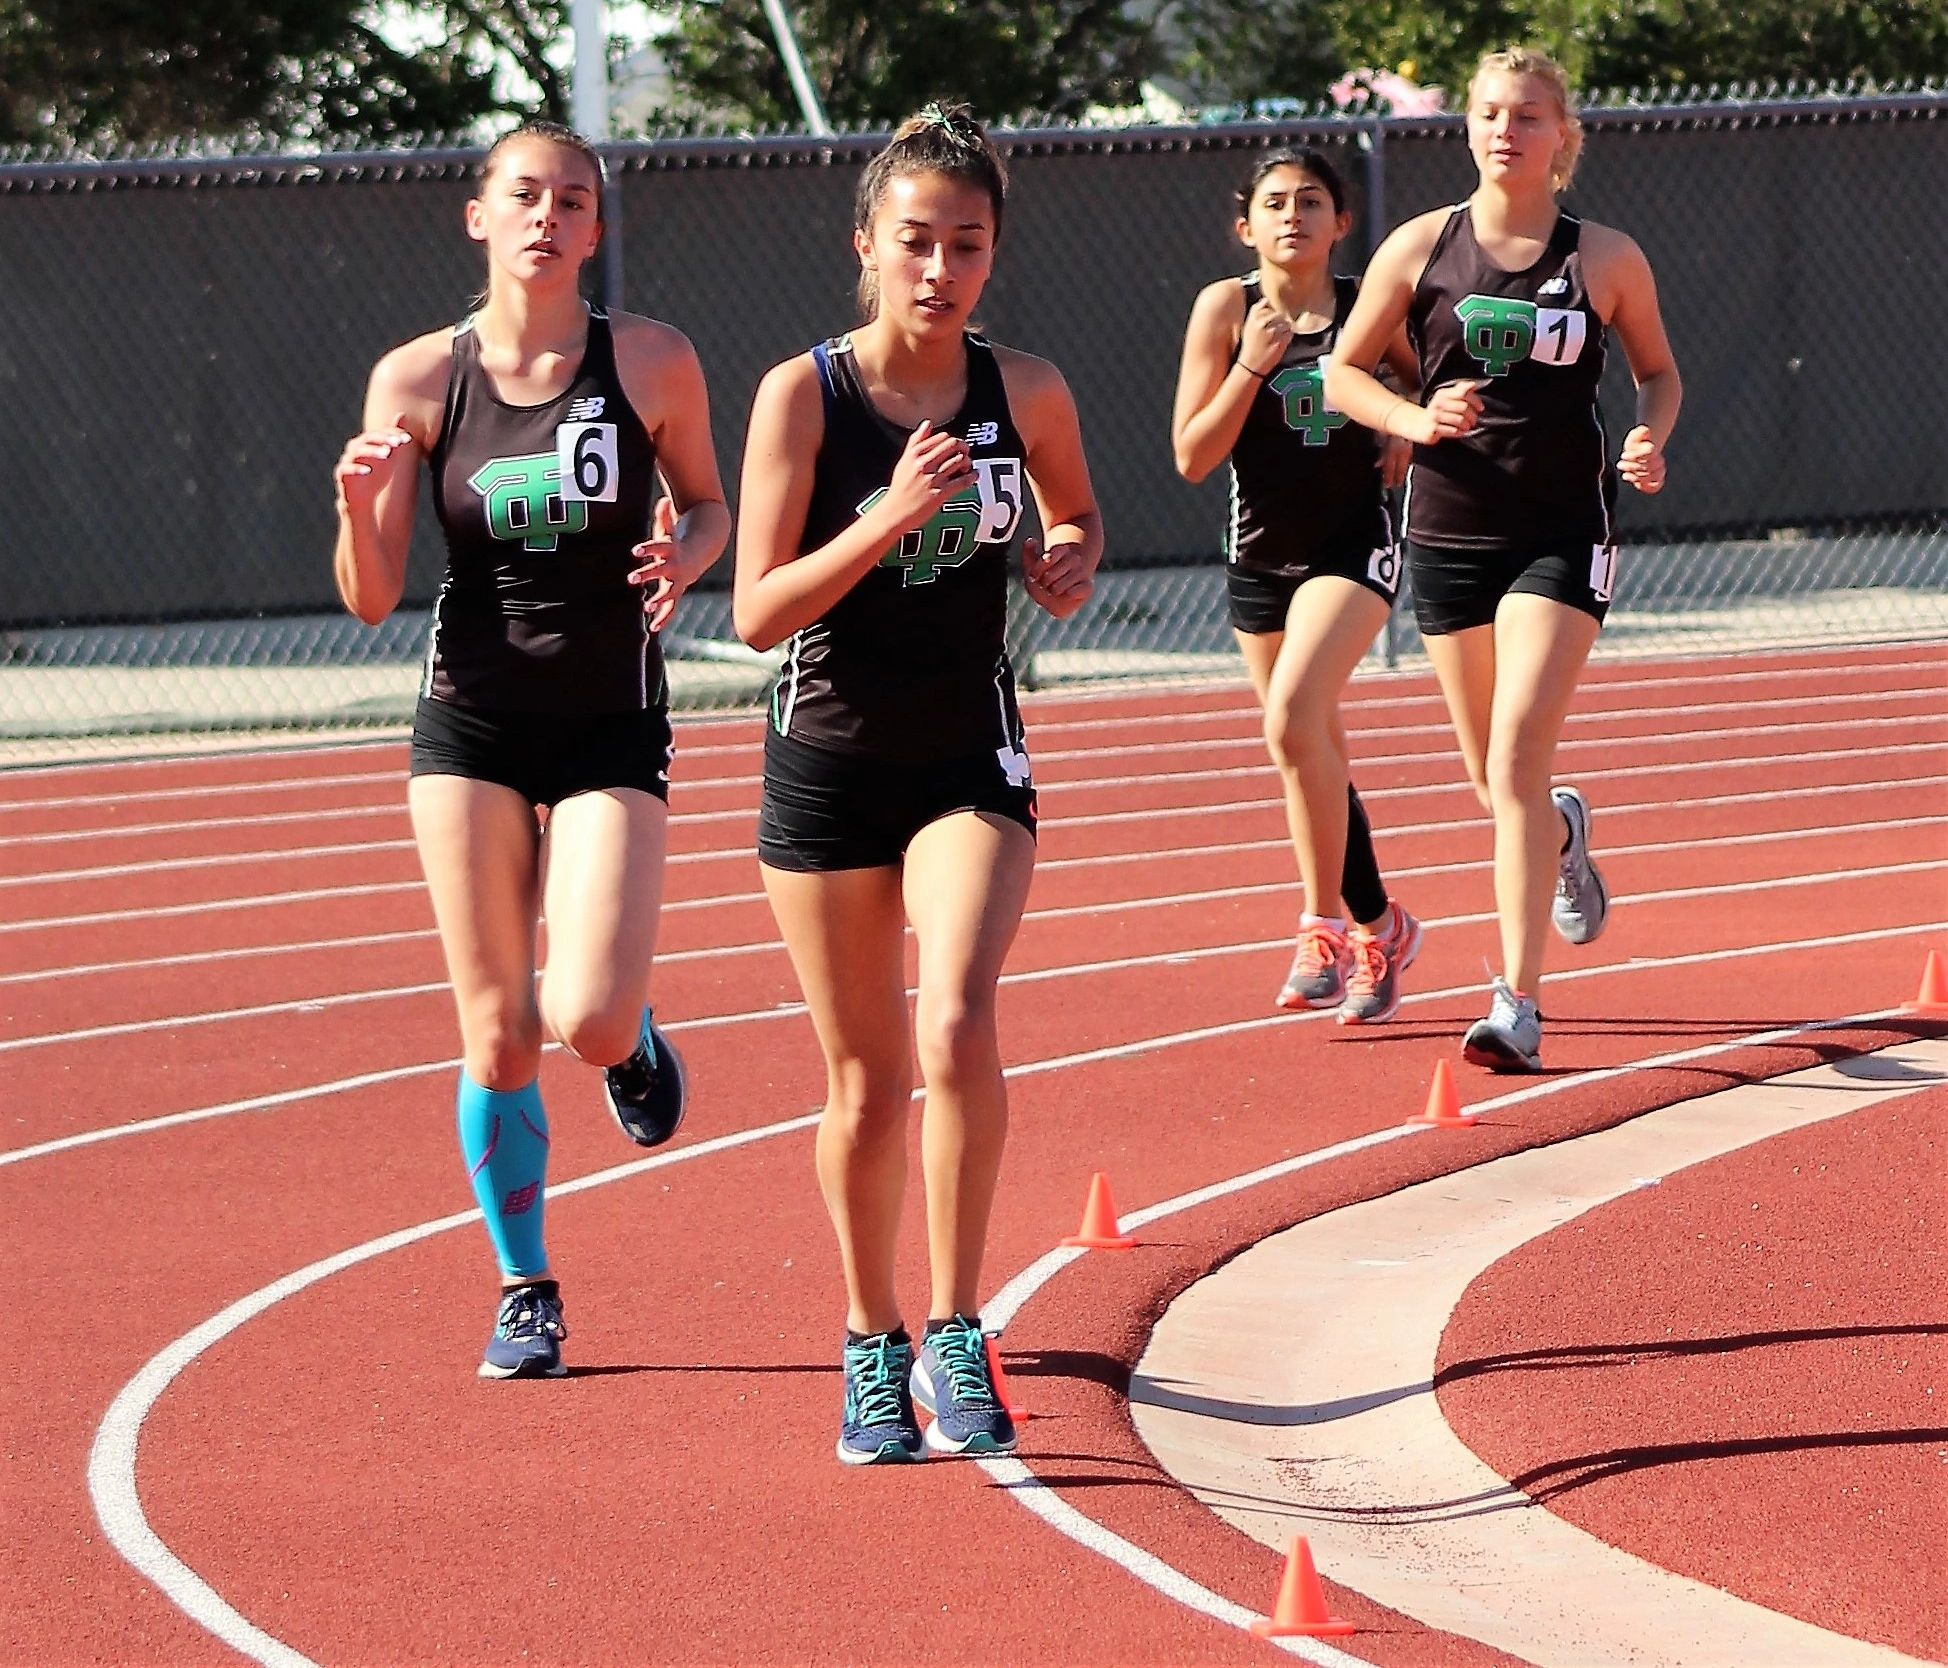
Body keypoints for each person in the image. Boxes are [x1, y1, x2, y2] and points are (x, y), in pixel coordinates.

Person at [331, 120, 731, 1376]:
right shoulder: (414, 381)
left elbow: (711, 501)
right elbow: (369, 591)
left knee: (590, 1017)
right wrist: (356, 507)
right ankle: (525, 1286)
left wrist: (691, 552)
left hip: (611, 716)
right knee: (499, 1033)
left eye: (571, 200)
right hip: (473, 722)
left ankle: (636, 1043)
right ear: (478, 215)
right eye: (524, 195)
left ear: (595, 229)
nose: (547, 216)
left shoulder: (653, 359)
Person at [732, 104, 1101, 1463]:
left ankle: (957, 1324)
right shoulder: (804, 397)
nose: (939, 270)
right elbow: (756, 612)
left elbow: (1072, 510)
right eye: (915, 244)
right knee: (866, 1080)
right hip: (827, 765)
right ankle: (870, 1338)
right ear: (866, 248)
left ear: (993, 253)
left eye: (966, 244)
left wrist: (1068, 556)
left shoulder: (1030, 390)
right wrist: (885, 517)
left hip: (969, 757)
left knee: (954, 1019)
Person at [1326, 47, 1681, 1070]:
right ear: (1466, 126)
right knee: (1495, 785)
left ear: (1560, 135)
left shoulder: (1603, 256)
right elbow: (1345, 372)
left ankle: (1515, 1001)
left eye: (1527, 116)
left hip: (1563, 531)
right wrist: (1412, 414)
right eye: (1488, 113)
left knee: (1517, 755)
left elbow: (1659, 374)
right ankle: (1563, 839)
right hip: (1447, 533)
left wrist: (1648, 436)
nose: (1504, 131)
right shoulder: (1419, 246)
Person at [1171, 147, 1424, 1025]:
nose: (1293, 216)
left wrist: (1402, 419)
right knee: (1305, 745)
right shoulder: (1224, 308)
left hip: (1353, 548)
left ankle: (1320, 921)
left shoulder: (1364, 305)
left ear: (1341, 223)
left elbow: (1424, 377)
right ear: (1246, 226)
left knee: (1291, 717)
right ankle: (1378, 925)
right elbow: (1193, 455)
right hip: (1260, 557)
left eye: (1311, 201)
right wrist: (1249, 364)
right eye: (1274, 203)